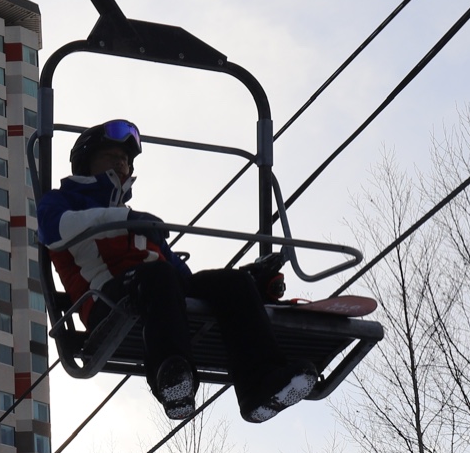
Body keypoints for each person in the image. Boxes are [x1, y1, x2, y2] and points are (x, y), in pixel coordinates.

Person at [38, 119, 317, 423]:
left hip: (152, 286)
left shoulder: (136, 221)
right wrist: (123, 218)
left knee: (231, 283)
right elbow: (53, 230)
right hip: (104, 299)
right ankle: (172, 377)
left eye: (126, 160)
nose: (121, 164)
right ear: (87, 161)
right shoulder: (62, 201)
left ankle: (260, 384)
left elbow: (181, 278)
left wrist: (250, 283)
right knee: (156, 275)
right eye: (113, 156)